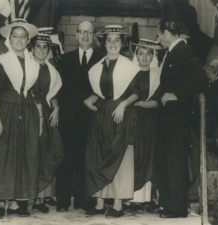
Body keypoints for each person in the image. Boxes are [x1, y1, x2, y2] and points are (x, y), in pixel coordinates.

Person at [0, 19, 41, 219]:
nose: (19, 40)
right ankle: (1, 202)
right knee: (3, 157)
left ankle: (16, 202)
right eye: (15, 36)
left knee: (23, 156)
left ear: (28, 40)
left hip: (27, 114)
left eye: (23, 36)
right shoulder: (1, 62)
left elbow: (36, 96)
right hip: (5, 112)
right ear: (8, 39)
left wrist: (39, 121)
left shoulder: (33, 64)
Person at [84, 25, 140, 219]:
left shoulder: (130, 67)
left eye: (117, 40)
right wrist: (89, 100)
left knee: (121, 159)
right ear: (104, 43)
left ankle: (118, 205)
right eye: (109, 40)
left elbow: (135, 93)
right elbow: (100, 93)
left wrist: (123, 104)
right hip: (102, 116)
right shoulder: (97, 68)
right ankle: (99, 203)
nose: (113, 44)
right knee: (98, 157)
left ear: (123, 43)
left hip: (121, 115)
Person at [154, 20, 206, 218]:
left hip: (178, 118)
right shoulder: (170, 53)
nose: (158, 39)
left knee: (175, 162)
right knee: (167, 161)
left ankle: (177, 208)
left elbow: (200, 78)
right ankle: (169, 204)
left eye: (159, 35)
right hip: (168, 118)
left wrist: (176, 94)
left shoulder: (184, 51)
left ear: (167, 33)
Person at [56, 21, 104, 212]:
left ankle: (84, 201)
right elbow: (59, 90)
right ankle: (62, 201)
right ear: (75, 35)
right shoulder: (64, 59)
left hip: (92, 118)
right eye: (81, 32)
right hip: (68, 119)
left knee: (88, 160)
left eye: (89, 32)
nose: (85, 36)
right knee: (66, 160)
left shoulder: (102, 59)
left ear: (94, 36)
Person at [121, 39, 161, 212]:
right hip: (131, 121)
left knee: (148, 157)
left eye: (148, 53)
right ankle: (129, 197)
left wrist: (141, 104)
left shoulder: (157, 76)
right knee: (132, 157)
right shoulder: (129, 74)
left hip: (149, 122)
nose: (145, 57)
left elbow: (159, 102)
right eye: (141, 53)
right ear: (136, 55)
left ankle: (145, 198)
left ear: (153, 56)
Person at [30, 31, 63, 213]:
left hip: (48, 112)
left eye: (45, 47)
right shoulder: (26, 67)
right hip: (30, 113)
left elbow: (54, 94)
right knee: (32, 154)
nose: (42, 50)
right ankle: (28, 197)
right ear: (32, 49)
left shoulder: (52, 70)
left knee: (49, 153)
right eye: (38, 47)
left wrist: (56, 109)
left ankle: (40, 200)